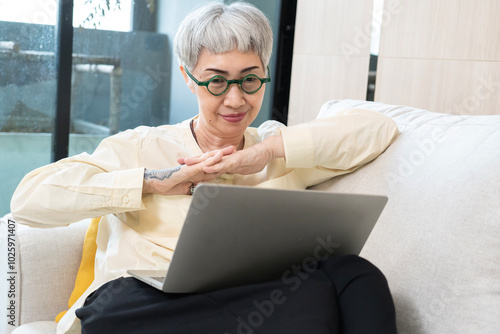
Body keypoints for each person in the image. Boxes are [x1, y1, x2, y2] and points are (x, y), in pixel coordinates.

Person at [11, 1, 400, 333]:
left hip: (251, 298)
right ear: (188, 78)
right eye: (217, 82)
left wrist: (266, 153)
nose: (236, 99)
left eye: (250, 80)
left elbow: (378, 128)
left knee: (354, 274)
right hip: (145, 303)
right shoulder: (143, 145)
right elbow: (28, 200)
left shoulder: (279, 149)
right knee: (116, 312)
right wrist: (154, 182)